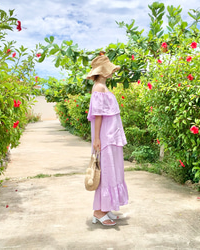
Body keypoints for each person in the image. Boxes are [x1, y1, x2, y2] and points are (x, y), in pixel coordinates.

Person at [86, 55, 128, 226]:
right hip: (105, 136)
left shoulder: (102, 87)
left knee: (112, 170)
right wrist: (96, 138)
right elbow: (97, 115)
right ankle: (98, 211)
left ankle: (105, 208)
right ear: (103, 70)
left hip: (111, 135)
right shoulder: (99, 88)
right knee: (106, 172)